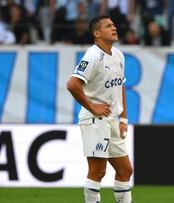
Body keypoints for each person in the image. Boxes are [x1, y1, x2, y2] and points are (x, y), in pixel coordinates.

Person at [66, 15, 133, 203]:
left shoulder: (118, 55)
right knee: (98, 171)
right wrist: (92, 106)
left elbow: (120, 86)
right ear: (97, 33)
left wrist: (123, 119)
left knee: (125, 170)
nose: (114, 28)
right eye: (108, 26)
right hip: (95, 119)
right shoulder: (93, 55)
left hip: (112, 119)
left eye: (113, 25)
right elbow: (72, 84)